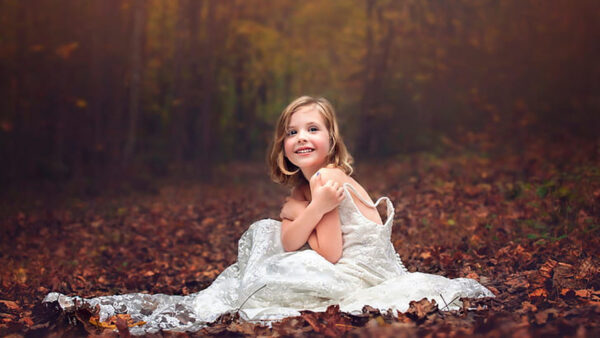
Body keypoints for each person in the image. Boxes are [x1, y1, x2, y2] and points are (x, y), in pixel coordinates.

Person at [44, 96, 494, 334]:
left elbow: (330, 252)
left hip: (357, 276)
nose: (301, 138)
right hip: (368, 270)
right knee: (275, 231)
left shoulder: (326, 182)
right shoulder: (315, 184)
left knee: (267, 235)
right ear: (282, 145)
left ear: (331, 140)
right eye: (291, 132)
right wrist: (302, 210)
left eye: (312, 129)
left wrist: (311, 208)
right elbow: (302, 241)